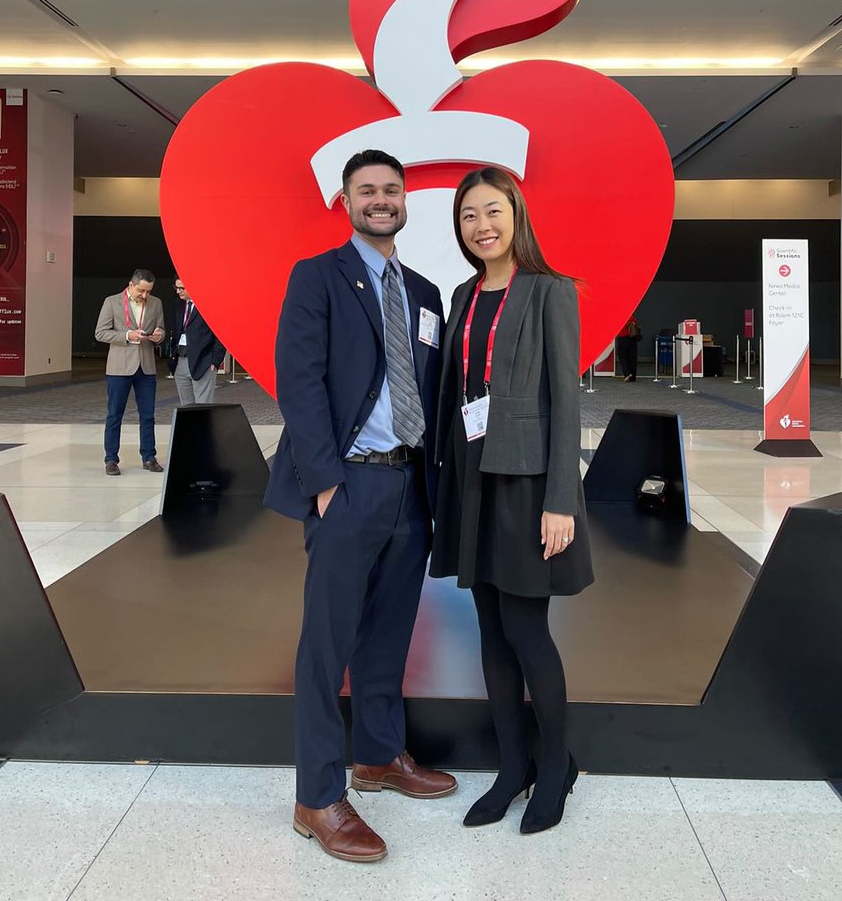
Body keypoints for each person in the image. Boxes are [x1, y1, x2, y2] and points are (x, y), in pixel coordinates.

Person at [262, 148, 456, 864]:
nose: (380, 200)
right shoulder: (318, 277)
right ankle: (317, 795)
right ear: (346, 202)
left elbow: (436, 394)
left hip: (410, 485)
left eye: (390, 190)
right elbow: (299, 378)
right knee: (327, 644)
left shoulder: (429, 292)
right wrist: (324, 483)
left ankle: (378, 756)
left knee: (389, 633)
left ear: (406, 201)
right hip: (348, 482)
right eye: (366, 191)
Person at [430, 166, 593, 835]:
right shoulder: (463, 294)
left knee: (528, 630)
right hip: (472, 477)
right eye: (469, 215)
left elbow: (566, 401)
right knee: (490, 634)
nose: (481, 225)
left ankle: (556, 767)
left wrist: (562, 501)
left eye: (492, 210)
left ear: (516, 214)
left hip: (528, 487)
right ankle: (512, 766)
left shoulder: (551, 292)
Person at [94, 268, 165, 476]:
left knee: (148, 415)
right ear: (131, 285)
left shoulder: (156, 303)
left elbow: (160, 328)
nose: (145, 295)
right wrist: (127, 335)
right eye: (141, 291)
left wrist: (159, 335)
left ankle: (149, 456)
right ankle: (111, 459)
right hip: (119, 367)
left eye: (149, 291)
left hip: (146, 366)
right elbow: (100, 333)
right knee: (115, 414)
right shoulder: (112, 302)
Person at [171, 279, 225, 404]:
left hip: (203, 361)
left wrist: (215, 361)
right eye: (176, 287)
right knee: (186, 408)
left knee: (203, 407)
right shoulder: (178, 305)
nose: (178, 291)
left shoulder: (209, 305)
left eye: (182, 288)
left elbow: (220, 334)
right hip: (181, 360)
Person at [616, 313, 641, 382]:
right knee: (632, 358)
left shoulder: (620, 317)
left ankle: (627, 373)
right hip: (632, 339)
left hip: (622, 338)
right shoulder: (632, 317)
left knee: (622, 357)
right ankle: (633, 377)